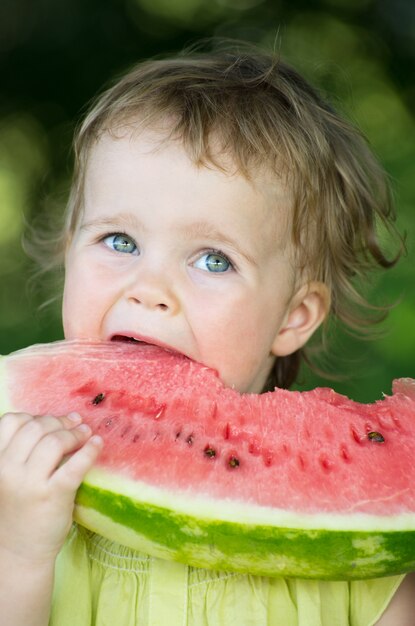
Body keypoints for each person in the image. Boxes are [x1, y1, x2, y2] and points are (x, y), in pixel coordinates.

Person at [0, 40, 411, 626]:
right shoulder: (19, 489)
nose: (150, 288)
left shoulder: (354, 539)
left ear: (295, 315)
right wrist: (17, 552)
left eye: (214, 260)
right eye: (120, 242)